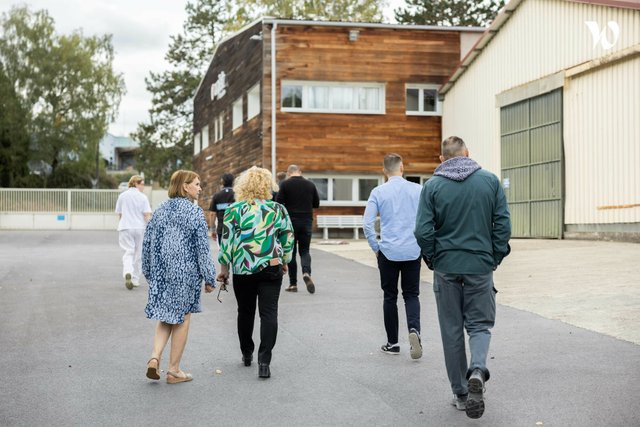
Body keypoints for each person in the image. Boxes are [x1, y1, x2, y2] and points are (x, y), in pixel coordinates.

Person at [414, 136, 511, 419]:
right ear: (467, 153)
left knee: (451, 329)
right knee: (480, 325)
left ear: (441, 159)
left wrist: (433, 257)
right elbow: (503, 224)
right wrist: (494, 256)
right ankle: (478, 369)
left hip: (446, 267)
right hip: (480, 266)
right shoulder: (490, 182)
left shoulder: (432, 186)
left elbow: (422, 231)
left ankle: (460, 392)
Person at [216, 166, 294, 379]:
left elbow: (227, 243)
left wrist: (224, 269)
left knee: (245, 311)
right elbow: (288, 238)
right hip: (271, 265)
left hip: (243, 267)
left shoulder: (233, 210)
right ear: (267, 186)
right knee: (269, 313)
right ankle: (264, 361)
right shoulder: (277, 209)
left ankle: (247, 352)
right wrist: (285, 261)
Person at [142, 170, 217, 384]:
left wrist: (149, 271)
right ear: (185, 186)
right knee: (182, 318)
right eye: (197, 183)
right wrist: (210, 277)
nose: (200, 188)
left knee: (165, 316)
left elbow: (148, 244)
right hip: (184, 274)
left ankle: (154, 357)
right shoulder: (194, 213)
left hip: (161, 272)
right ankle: (174, 370)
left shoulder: (160, 210)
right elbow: (202, 249)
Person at [363, 153, 423, 359]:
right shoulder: (418, 190)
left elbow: (367, 224)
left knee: (390, 296)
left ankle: (393, 343)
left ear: (384, 171)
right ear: (402, 168)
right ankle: (414, 330)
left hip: (388, 251)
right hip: (413, 250)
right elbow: (428, 219)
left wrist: (376, 247)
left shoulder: (378, 192)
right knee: (411, 295)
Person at [276, 164, 320, 293]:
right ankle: (306, 273)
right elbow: (316, 204)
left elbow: (278, 203)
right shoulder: (310, 184)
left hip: (290, 222)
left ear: (289, 173)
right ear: (300, 171)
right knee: (305, 250)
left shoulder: (284, 184)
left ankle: (293, 284)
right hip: (306, 221)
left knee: (292, 252)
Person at [115, 175, 152, 290]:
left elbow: (120, 214)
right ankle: (135, 279)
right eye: (142, 184)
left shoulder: (122, 196)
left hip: (126, 227)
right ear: (135, 183)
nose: (143, 186)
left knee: (128, 252)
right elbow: (146, 215)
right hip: (140, 228)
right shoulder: (143, 197)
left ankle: (128, 272)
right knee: (139, 254)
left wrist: (123, 223)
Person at [209, 172, 235, 245]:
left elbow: (212, 214)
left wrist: (212, 230)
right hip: (235, 229)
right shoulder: (237, 195)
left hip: (222, 230)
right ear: (233, 182)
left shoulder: (216, 196)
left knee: (223, 253)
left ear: (222, 182)